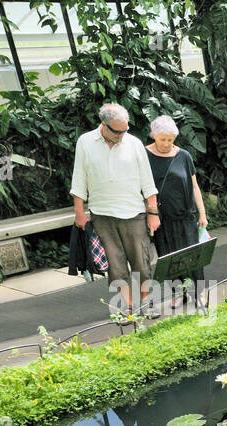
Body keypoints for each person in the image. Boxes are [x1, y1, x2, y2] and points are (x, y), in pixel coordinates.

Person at [70, 103, 160, 313]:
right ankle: (127, 307)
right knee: (115, 265)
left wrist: (152, 212)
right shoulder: (85, 142)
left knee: (141, 262)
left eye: (125, 130)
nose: (122, 135)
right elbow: (79, 179)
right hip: (102, 214)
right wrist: (79, 212)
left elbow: (147, 180)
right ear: (104, 125)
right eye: (117, 131)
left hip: (134, 212)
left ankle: (147, 303)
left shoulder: (134, 143)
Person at [145, 115, 208, 307]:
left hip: (185, 215)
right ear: (154, 135)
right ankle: (178, 293)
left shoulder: (184, 155)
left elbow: (195, 186)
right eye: (162, 139)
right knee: (168, 257)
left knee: (192, 256)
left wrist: (202, 213)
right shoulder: (144, 155)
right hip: (160, 217)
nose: (166, 144)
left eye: (170, 140)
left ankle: (199, 293)